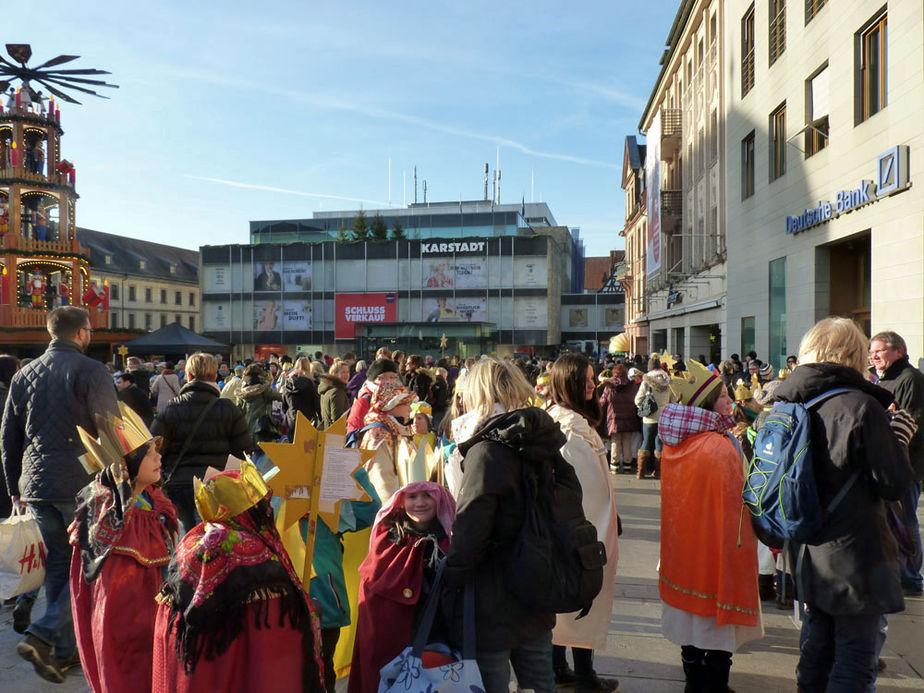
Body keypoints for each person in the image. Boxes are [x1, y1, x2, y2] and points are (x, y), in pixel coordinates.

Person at [773, 318, 912, 690]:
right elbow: (893, 483)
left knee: (816, 650)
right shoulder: (861, 406)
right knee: (854, 660)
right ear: (854, 355)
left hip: (806, 548)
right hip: (856, 553)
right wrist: (900, 438)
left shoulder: (787, 402)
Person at [1, 306, 119, 683]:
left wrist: (14, 487)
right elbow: (110, 429)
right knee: (88, 564)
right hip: (79, 482)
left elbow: (8, 436)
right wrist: (120, 479)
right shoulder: (91, 370)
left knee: (59, 565)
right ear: (82, 332)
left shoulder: (25, 373)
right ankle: (45, 634)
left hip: (36, 484)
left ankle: (64, 653)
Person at [442, 358, 565, 692]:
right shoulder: (540, 437)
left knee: (491, 682)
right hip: (538, 582)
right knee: (541, 682)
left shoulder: (486, 449)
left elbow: (471, 528)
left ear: (474, 392)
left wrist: (449, 579)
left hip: (493, 593)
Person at [152, 460, 324, 692]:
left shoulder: (191, 542)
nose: (268, 511)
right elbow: (277, 647)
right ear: (250, 511)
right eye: (263, 505)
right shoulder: (256, 556)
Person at [657, 359, 762, 692]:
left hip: (683, 554)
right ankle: (713, 686)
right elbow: (739, 505)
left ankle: (693, 680)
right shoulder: (718, 446)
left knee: (690, 628)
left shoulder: (676, 443)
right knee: (715, 629)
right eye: (723, 397)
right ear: (706, 404)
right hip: (716, 554)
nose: (730, 401)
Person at [70, 403, 178, 693]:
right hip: (126, 629)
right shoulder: (109, 513)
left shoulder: (152, 501)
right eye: (149, 452)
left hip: (150, 621)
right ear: (127, 463)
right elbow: (114, 606)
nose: (159, 457)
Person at [544, 355, 620, 692]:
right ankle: (583, 676)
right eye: (586, 380)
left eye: (592, 378)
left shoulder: (571, 420)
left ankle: (560, 668)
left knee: (566, 601)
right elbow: (582, 489)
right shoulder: (569, 429)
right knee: (582, 597)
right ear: (568, 382)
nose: (593, 385)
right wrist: (599, 528)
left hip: (582, 527)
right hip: (583, 530)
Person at [349, 481, 455, 693]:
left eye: (427, 496)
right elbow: (372, 600)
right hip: (391, 643)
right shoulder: (387, 542)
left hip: (438, 638)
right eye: (413, 497)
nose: (420, 503)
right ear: (401, 501)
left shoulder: (450, 544)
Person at [151, 353, 252, 533]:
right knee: (214, 542)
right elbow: (243, 451)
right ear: (215, 376)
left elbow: (155, 449)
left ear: (188, 376)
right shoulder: (228, 409)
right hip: (217, 485)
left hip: (180, 484)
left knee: (185, 540)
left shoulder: (171, 408)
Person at [869, 330, 924, 596]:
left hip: (906, 465)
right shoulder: (883, 380)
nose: (873, 356)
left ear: (898, 351)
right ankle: (897, 572)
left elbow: (911, 422)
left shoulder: (910, 379)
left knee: (906, 520)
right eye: (872, 352)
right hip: (887, 462)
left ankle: (911, 577)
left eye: (879, 350)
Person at [360, 382, 416, 503]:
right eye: (406, 403)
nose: (410, 409)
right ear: (390, 405)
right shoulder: (379, 435)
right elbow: (383, 485)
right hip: (391, 511)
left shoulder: (396, 430)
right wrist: (394, 515)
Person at [634, 356, 674, 479]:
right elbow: (673, 400)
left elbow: (637, 400)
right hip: (664, 417)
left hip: (649, 417)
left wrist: (643, 407)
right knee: (659, 444)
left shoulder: (646, 380)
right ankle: (658, 472)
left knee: (646, 442)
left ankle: (640, 472)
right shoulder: (668, 380)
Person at [599, 363, 641, 474]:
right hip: (629, 416)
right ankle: (627, 464)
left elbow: (602, 401)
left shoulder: (609, 385)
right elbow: (637, 400)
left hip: (614, 418)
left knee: (615, 441)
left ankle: (615, 465)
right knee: (627, 440)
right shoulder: (632, 386)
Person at [346, 358, 400, 435]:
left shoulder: (398, 399)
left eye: (392, 377)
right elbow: (354, 433)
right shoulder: (364, 401)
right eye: (382, 378)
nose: (388, 381)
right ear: (373, 380)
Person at [236, 363, 283, 446]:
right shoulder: (265, 390)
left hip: (245, 429)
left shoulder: (241, 392)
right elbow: (280, 397)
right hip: (261, 428)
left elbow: (238, 411)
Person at [283, 356, 320, 434]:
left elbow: (284, 403)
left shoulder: (288, 383)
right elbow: (317, 404)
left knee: (292, 445)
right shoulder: (312, 384)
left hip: (291, 419)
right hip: (308, 420)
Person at [319, 360, 351, 430]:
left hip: (327, 432)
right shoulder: (337, 391)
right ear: (334, 374)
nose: (346, 375)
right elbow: (338, 420)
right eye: (343, 372)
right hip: (336, 435)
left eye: (348, 372)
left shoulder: (326, 389)